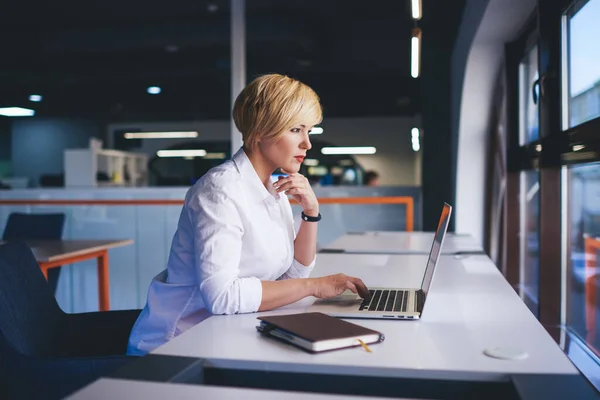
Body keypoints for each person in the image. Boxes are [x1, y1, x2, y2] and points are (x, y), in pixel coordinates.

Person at [127, 74, 369, 355]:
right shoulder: (220, 190)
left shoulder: (272, 186)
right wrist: (314, 287)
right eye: (296, 129)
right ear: (262, 129)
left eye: (309, 131)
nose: (307, 144)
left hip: (225, 335)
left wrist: (311, 213)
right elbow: (222, 296)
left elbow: (292, 273)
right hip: (176, 346)